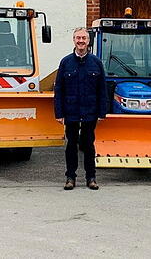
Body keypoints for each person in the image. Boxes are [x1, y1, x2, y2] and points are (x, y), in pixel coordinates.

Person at [54, 27, 106, 190]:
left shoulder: (96, 63)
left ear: (88, 41)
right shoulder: (66, 62)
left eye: (84, 38)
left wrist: (101, 112)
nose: (81, 41)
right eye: (78, 38)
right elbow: (59, 89)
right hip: (71, 112)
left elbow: (102, 89)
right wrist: (59, 112)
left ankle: (91, 178)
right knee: (71, 145)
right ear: (74, 40)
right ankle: (70, 177)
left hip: (90, 111)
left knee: (89, 145)